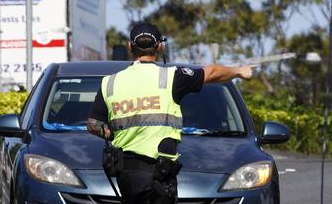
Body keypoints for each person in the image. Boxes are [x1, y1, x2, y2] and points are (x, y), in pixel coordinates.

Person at [87, 22, 253, 203]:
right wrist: (240, 71)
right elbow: (212, 72)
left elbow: (93, 125)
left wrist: (113, 134)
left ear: (130, 46)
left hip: (125, 174)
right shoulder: (172, 78)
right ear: (160, 46)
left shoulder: (109, 83)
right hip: (159, 173)